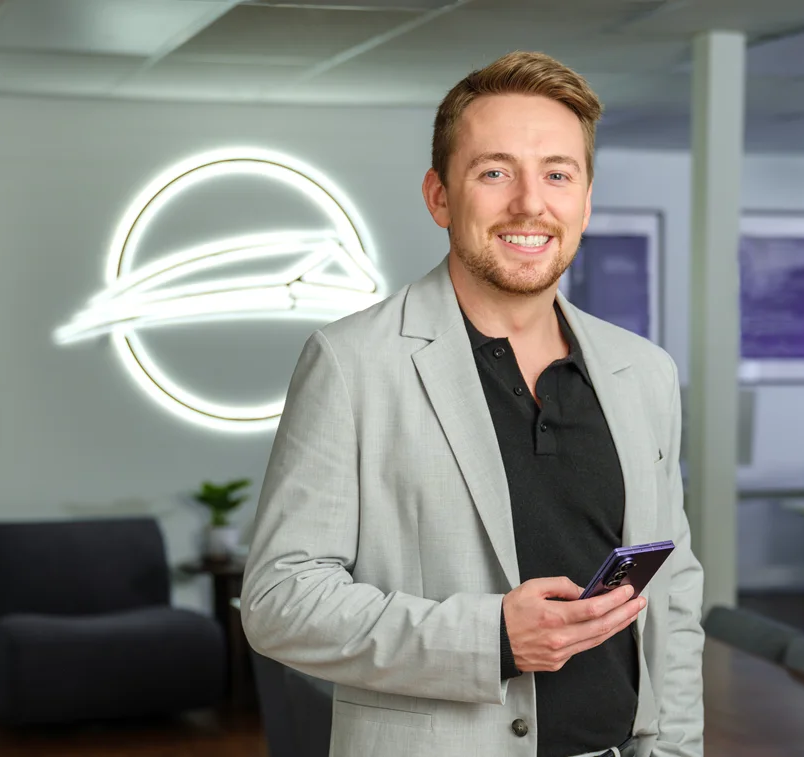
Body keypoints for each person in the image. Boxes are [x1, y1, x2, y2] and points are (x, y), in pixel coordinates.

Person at [241, 50, 704, 757]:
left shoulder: (644, 372)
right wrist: (489, 638)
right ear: (440, 196)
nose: (530, 203)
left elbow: (672, 590)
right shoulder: (353, 362)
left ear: (585, 199)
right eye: (494, 172)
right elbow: (281, 601)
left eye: (558, 173)